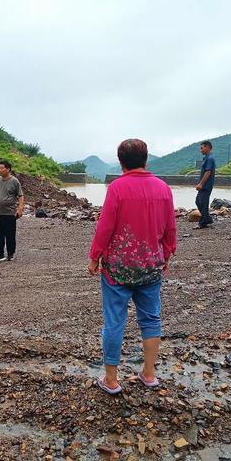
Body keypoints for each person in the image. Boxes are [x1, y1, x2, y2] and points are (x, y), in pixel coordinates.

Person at [88, 139, 177, 395]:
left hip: (118, 268)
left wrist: (95, 257)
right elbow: (170, 226)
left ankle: (111, 380)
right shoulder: (163, 188)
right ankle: (149, 375)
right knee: (150, 319)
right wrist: (169, 251)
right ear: (146, 159)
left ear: (121, 162)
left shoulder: (117, 188)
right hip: (150, 265)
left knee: (114, 321)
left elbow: (105, 227)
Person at [194, 140, 216, 229]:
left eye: (202, 148)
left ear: (207, 147)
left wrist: (201, 184)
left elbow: (208, 172)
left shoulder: (210, 158)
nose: (201, 150)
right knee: (199, 201)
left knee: (203, 203)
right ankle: (207, 219)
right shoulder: (207, 158)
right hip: (205, 185)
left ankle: (203, 222)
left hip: (206, 186)